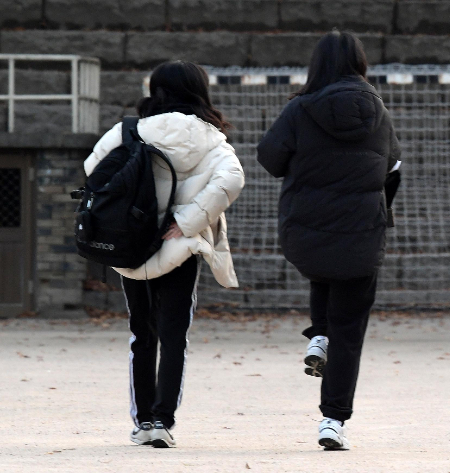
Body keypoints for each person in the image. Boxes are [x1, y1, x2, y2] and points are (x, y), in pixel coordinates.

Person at [83, 61, 245, 448]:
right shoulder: (211, 139)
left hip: (132, 245)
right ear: (199, 92)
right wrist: (187, 221)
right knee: (174, 336)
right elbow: (232, 178)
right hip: (180, 248)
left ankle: (142, 422)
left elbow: (92, 170)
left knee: (142, 334)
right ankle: (163, 421)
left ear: (155, 91)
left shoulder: (130, 131)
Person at [257, 30, 401, 450]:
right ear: (361, 63)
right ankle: (332, 422)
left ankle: (319, 334)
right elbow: (393, 168)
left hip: (306, 227)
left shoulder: (299, 110)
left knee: (323, 266)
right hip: (361, 231)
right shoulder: (379, 112)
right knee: (349, 331)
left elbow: (269, 159)